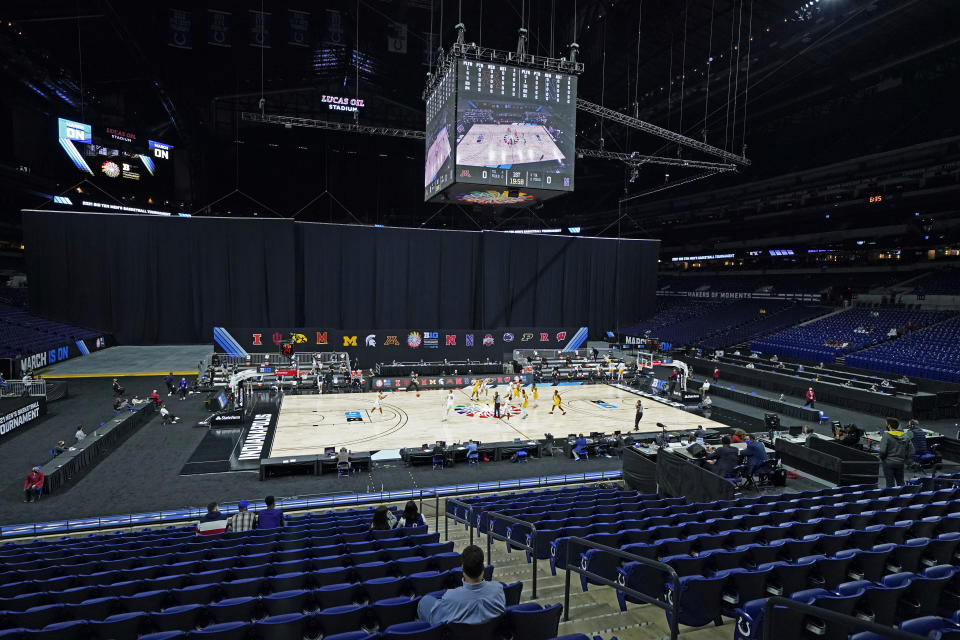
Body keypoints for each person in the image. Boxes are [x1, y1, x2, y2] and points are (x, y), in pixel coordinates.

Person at [417, 544, 505, 625]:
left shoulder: (451, 597)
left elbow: (437, 620)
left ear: (462, 569)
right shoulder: (498, 589)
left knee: (424, 601)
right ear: (483, 568)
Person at [878, 418, 914, 487]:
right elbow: (911, 450)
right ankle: (902, 497)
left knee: (890, 483)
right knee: (900, 482)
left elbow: (882, 451)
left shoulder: (886, 436)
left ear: (889, 426)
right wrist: (906, 460)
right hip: (900, 463)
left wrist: (883, 459)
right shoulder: (905, 436)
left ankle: (891, 497)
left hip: (888, 463)